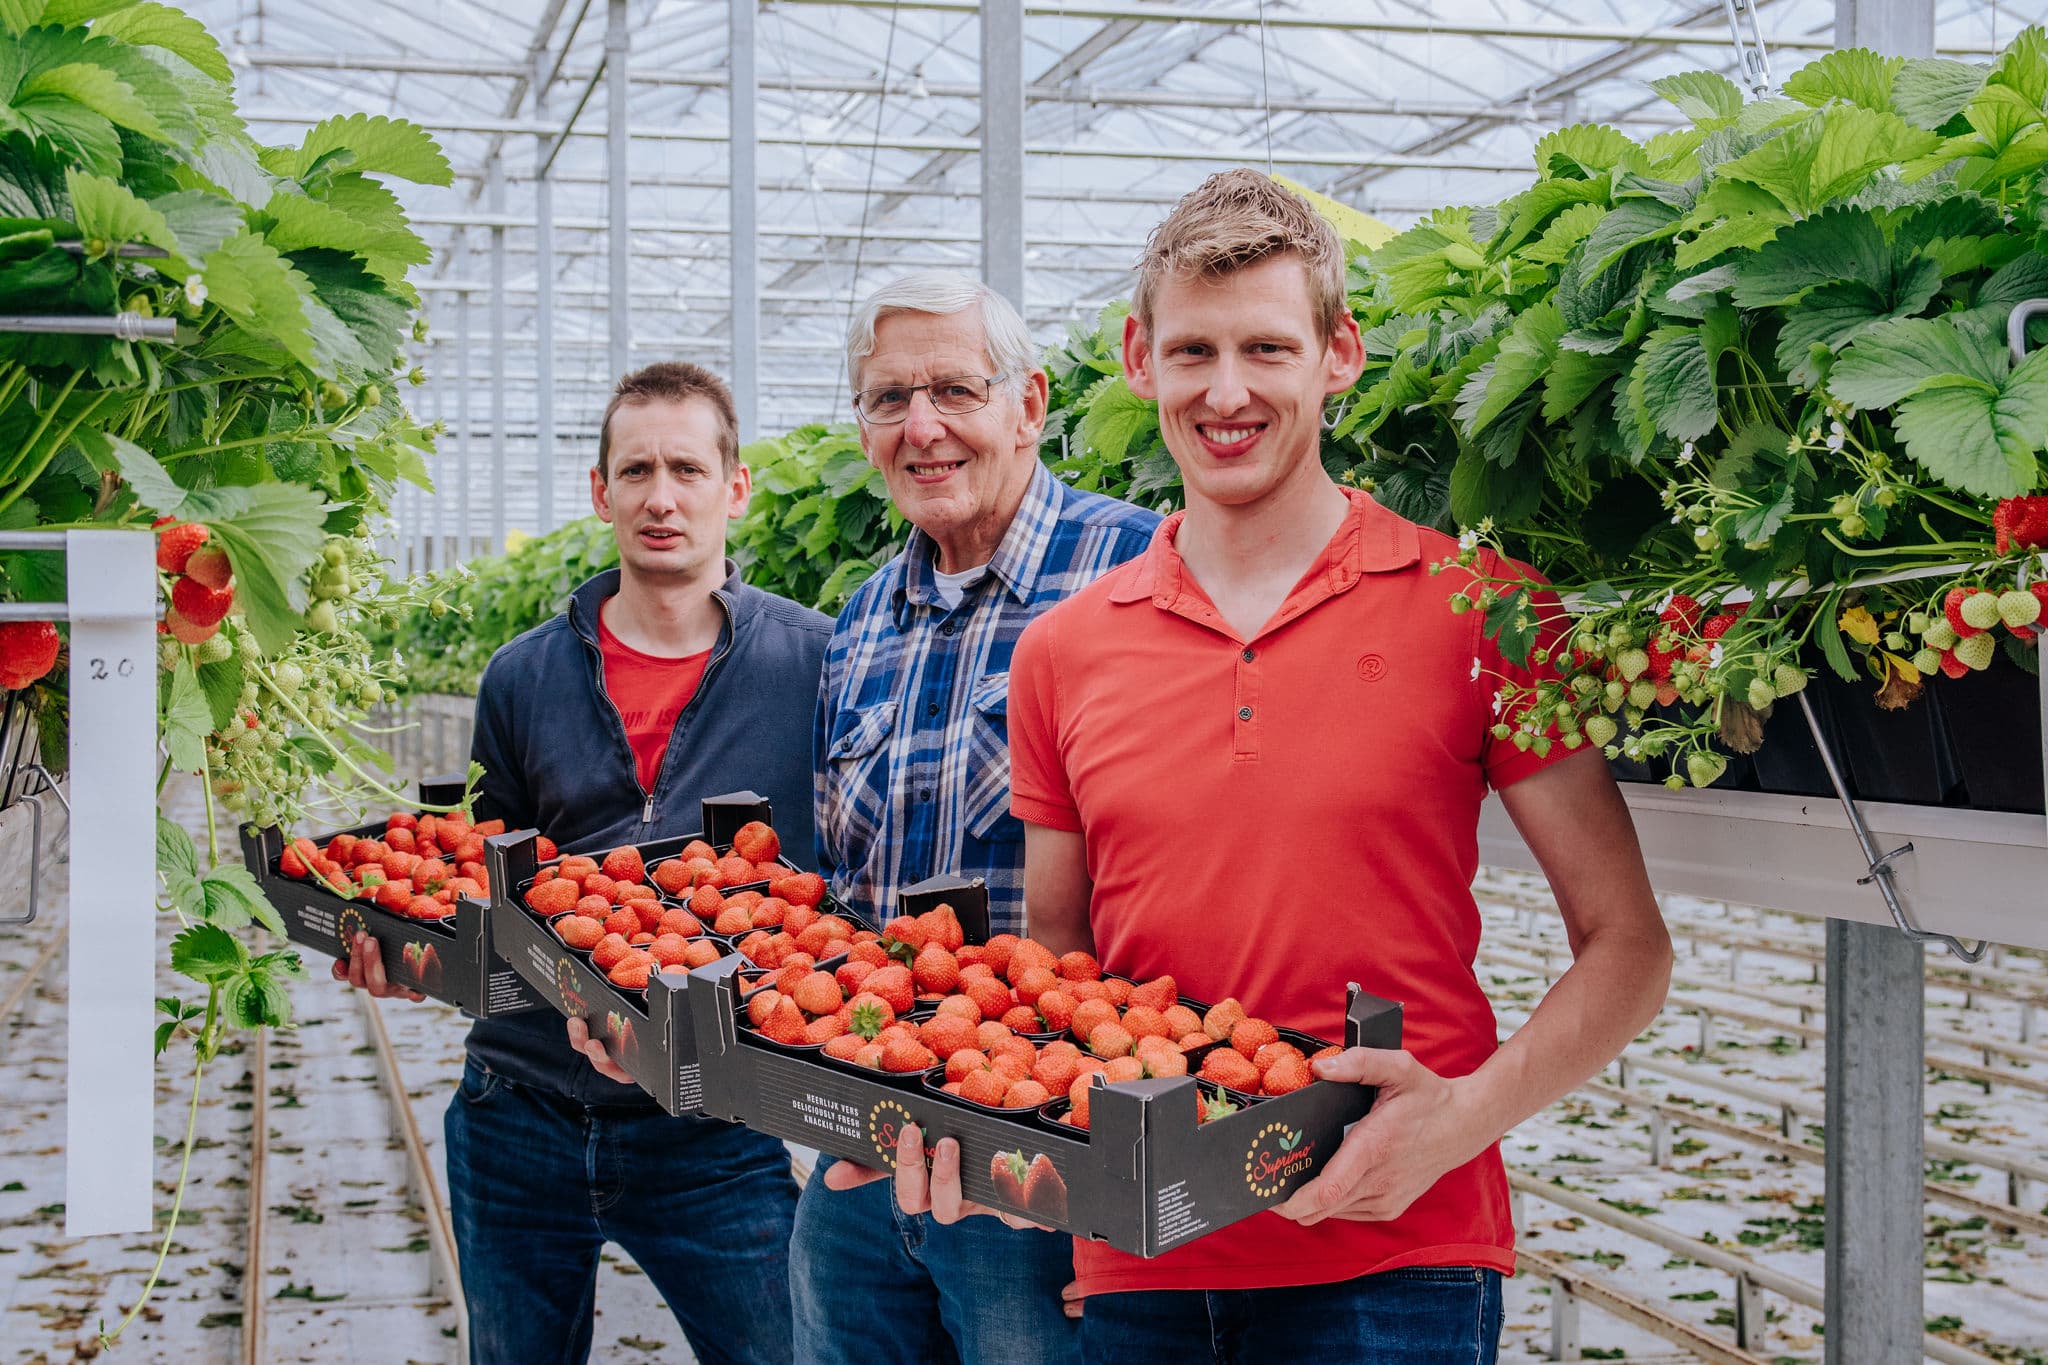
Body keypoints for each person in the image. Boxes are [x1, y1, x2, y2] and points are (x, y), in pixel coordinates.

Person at [888, 171, 1673, 1363]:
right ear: (1138, 359)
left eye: (1265, 346)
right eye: (1192, 350)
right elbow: (1056, 956)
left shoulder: (1479, 607)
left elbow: (1628, 946)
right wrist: (972, 1110)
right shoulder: (1062, 651)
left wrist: (1456, 1122)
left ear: (1337, 353)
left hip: (1396, 1254)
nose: (1226, 391)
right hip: (1135, 1258)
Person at [337, 361, 829, 1365]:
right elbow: (483, 875)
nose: (661, 497)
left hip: (713, 1127)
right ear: (599, 491)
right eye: (636, 469)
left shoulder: (813, 662)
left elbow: (841, 889)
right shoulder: (523, 673)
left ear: (734, 488)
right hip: (516, 1108)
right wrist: (412, 949)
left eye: (688, 469)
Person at [795, 271, 1161, 1365]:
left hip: (1048, 1158)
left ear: (1030, 404)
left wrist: (1125, 1219)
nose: (921, 428)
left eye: (953, 388)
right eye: (885, 400)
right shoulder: (860, 623)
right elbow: (843, 895)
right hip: (869, 1138)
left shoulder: (1142, 573)